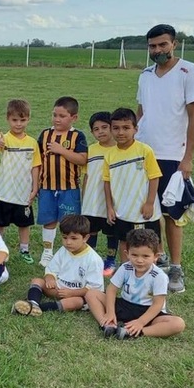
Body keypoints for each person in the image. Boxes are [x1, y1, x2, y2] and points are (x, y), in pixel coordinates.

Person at [136, 23, 194, 293]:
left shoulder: (189, 71)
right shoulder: (145, 74)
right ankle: (158, 256)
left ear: (174, 44)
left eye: (163, 44)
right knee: (148, 210)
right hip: (144, 153)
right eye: (152, 46)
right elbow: (140, 112)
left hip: (173, 155)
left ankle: (176, 268)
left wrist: (187, 158)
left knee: (173, 214)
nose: (157, 50)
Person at [85, 228, 185, 339]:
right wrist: (110, 312)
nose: (139, 260)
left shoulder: (159, 276)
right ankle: (107, 324)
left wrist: (141, 322)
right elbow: (111, 290)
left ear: (156, 257)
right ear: (127, 254)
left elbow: (158, 304)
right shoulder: (125, 267)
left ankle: (133, 332)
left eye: (145, 256)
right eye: (135, 255)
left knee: (178, 323)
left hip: (148, 311)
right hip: (125, 305)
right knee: (91, 294)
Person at [11, 214, 103, 316]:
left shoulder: (94, 260)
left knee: (76, 302)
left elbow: (93, 288)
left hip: (78, 294)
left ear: (85, 237)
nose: (68, 242)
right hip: (59, 289)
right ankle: (33, 303)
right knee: (37, 281)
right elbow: (51, 269)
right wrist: (50, 278)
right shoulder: (63, 250)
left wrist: (71, 293)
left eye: (73, 238)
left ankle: (40, 308)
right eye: (65, 237)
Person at [103, 108, 162, 261]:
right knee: (124, 241)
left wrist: (149, 203)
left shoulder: (145, 151)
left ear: (135, 129)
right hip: (122, 210)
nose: (120, 132)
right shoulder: (109, 155)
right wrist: (109, 207)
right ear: (110, 129)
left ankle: (150, 272)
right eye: (116, 128)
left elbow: (154, 178)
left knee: (148, 243)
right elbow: (107, 182)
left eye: (126, 128)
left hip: (144, 211)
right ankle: (126, 272)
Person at [36, 96, 88, 268]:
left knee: (69, 222)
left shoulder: (77, 136)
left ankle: (69, 252)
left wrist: (62, 150)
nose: (57, 119)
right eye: (54, 115)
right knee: (49, 220)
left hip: (70, 188)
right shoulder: (45, 134)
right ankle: (48, 251)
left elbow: (82, 159)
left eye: (62, 116)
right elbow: (37, 160)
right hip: (47, 187)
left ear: (74, 118)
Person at [0, 99, 41, 264]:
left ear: (28, 119)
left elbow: (35, 166)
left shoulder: (32, 143)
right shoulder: (4, 138)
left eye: (22, 120)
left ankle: (24, 249)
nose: (18, 124)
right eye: (14, 120)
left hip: (23, 193)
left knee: (24, 224)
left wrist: (35, 187)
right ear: (7, 119)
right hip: (4, 192)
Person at [81, 111, 118, 276]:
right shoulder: (91, 150)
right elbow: (86, 175)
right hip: (93, 199)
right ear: (92, 132)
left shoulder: (118, 149)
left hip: (111, 200)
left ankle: (110, 261)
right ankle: (92, 259)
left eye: (105, 127)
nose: (101, 131)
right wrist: (84, 197)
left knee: (111, 231)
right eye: (96, 129)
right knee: (92, 230)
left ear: (112, 128)